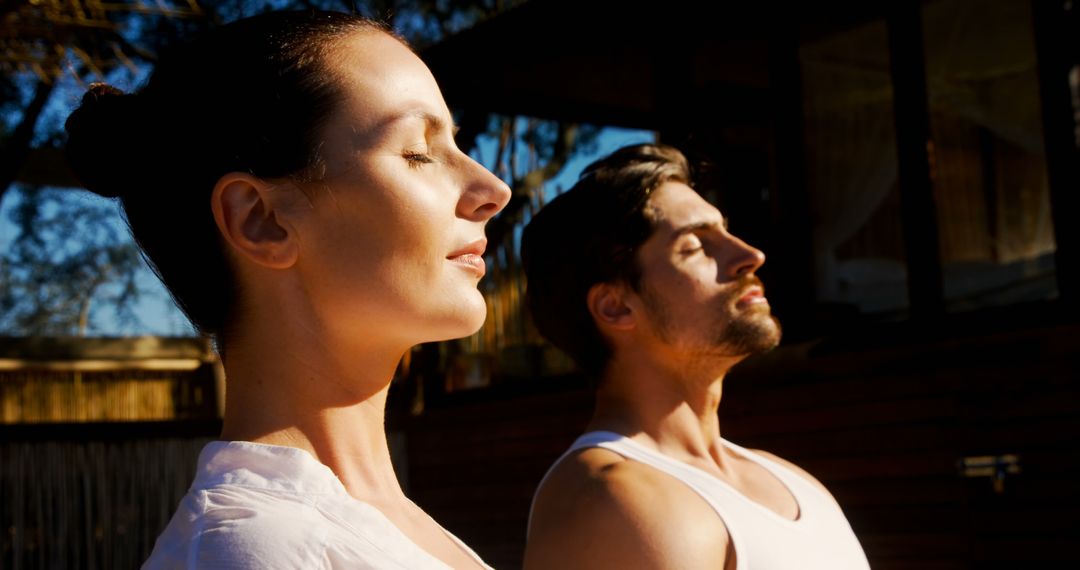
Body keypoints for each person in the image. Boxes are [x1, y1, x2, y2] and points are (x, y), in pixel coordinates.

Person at [64, 10, 509, 569]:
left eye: (458, 145)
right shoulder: (252, 550)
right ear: (261, 220)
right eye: (418, 151)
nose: (494, 189)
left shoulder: (373, 524)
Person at [520, 144, 869, 569]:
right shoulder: (617, 501)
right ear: (617, 307)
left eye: (725, 231)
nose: (750, 256)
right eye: (696, 245)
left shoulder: (795, 483)